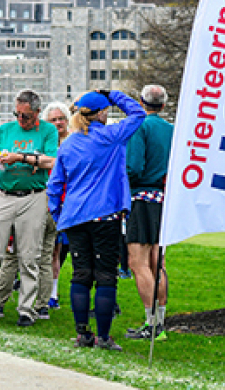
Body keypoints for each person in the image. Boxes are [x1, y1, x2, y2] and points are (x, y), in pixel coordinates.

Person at [47, 90, 145, 351]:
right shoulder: (113, 137)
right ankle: (103, 337)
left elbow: (55, 185)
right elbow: (138, 113)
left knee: (81, 274)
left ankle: (82, 334)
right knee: (105, 275)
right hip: (106, 215)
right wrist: (112, 95)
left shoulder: (68, 143)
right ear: (101, 113)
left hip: (76, 217)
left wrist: (59, 215)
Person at [0, 89, 58, 327]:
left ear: (37, 112)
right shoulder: (6, 129)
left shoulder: (47, 131)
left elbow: (52, 161)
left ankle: (27, 309)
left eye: (25, 116)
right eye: (17, 114)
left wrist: (22, 157)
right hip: (4, 195)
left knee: (30, 256)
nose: (20, 120)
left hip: (34, 196)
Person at [124, 85, 173, 341]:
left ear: (141, 102)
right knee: (158, 263)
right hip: (162, 199)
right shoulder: (172, 130)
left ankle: (151, 323)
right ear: (163, 105)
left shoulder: (139, 126)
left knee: (138, 263)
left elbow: (133, 165)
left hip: (141, 197)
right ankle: (160, 321)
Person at [43, 101, 71, 310]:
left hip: (65, 201)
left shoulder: (73, 141)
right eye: (53, 119)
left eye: (61, 118)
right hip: (42, 197)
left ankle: (52, 293)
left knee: (57, 249)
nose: (58, 123)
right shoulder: (43, 140)